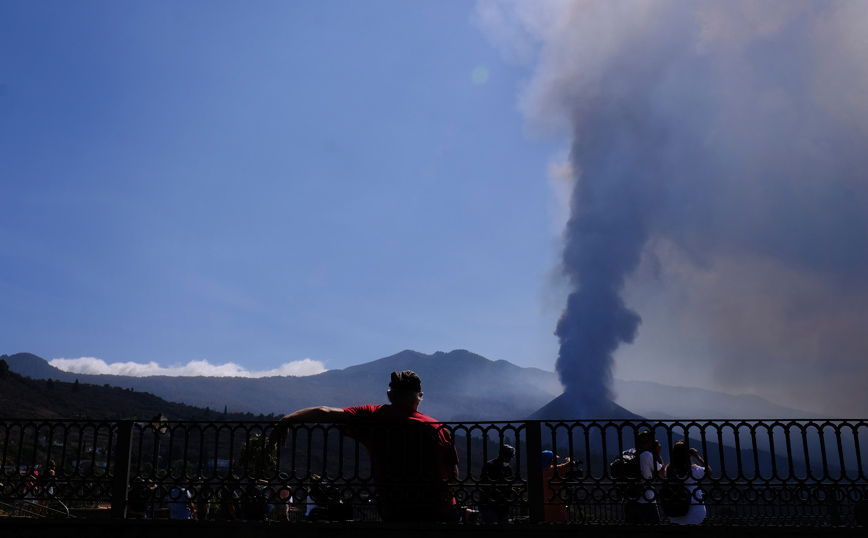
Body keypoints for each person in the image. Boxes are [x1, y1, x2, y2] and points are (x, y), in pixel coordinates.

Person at [270, 370, 459, 522]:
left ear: (389, 395)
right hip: (438, 511)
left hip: (396, 512)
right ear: (419, 397)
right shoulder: (437, 428)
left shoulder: (373, 416)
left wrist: (287, 420)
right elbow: (454, 477)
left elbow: (324, 412)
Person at [624, 430, 666, 525]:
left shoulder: (629, 453)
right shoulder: (646, 455)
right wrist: (658, 452)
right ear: (647, 443)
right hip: (646, 499)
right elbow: (662, 473)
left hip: (630, 498)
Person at [664, 441, 711, 525]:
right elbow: (709, 471)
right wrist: (697, 457)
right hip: (696, 514)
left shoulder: (668, 470)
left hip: (675, 513)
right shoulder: (694, 470)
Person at [479, 444, 515, 524]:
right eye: (507, 457)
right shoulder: (490, 465)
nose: (509, 460)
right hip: (489, 504)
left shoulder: (508, 469)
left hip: (503, 505)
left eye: (510, 458)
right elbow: (484, 483)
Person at [541, 450, 572, 523]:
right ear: (551, 460)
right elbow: (569, 466)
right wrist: (568, 460)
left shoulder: (539, 471)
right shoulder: (553, 470)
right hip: (556, 504)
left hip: (543, 506)